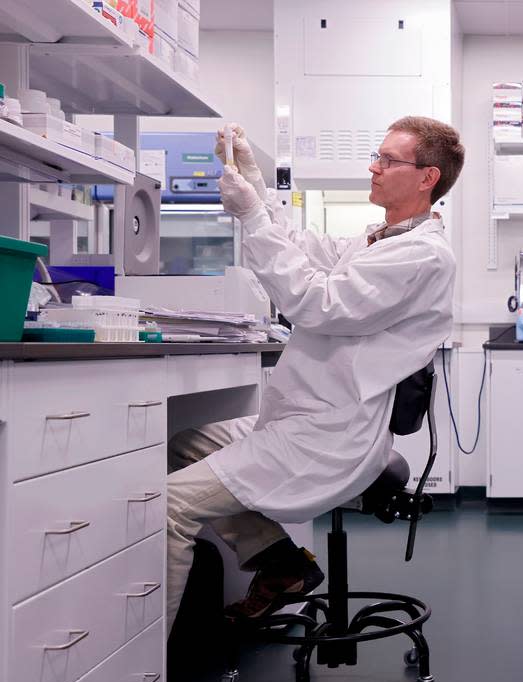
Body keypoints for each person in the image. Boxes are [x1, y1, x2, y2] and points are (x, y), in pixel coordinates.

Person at [164, 116, 465, 630]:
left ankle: (141, 680)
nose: (374, 167)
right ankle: (280, 564)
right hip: (302, 420)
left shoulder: (422, 256)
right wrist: (255, 184)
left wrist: (253, 217)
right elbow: (302, 247)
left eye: (389, 160)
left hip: (328, 438)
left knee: (167, 505)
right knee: (188, 443)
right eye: (377, 154)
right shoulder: (381, 239)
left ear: (426, 177)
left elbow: (318, 302)